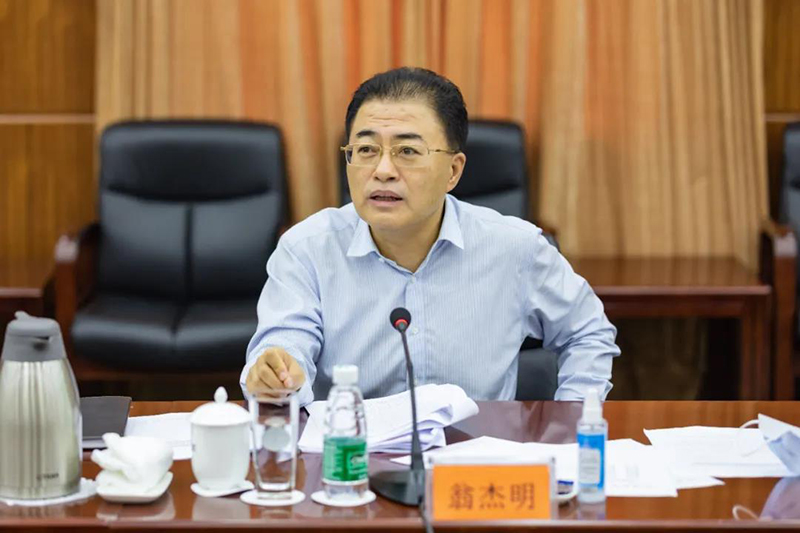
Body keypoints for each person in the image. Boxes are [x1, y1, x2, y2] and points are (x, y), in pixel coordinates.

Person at [241, 67, 620, 405]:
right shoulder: (307, 249)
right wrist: (277, 374)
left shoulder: (515, 248)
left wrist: (570, 420)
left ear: (453, 171)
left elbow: (588, 332)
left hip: (477, 451)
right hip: (354, 453)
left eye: (408, 151)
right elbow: (284, 345)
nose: (383, 170)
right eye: (366, 149)